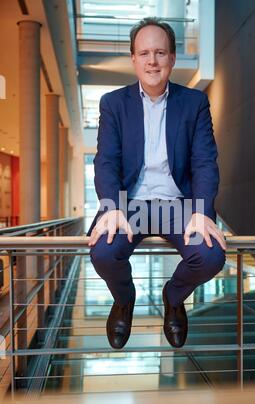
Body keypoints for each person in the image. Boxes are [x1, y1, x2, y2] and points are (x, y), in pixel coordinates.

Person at [87, 17, 226, 350]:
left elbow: (204, 161)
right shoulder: (113, 104)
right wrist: (111, 207)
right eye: (145, 53)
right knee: (103, 252)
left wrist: (202, 211)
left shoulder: (194, 103)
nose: (152, 60)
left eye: (160, 53)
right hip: (129, 204)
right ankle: (124, 300)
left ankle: (173, 298)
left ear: (172, 59)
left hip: (179, 205)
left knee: (210, 256)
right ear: (134, 59)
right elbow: (106, 161)